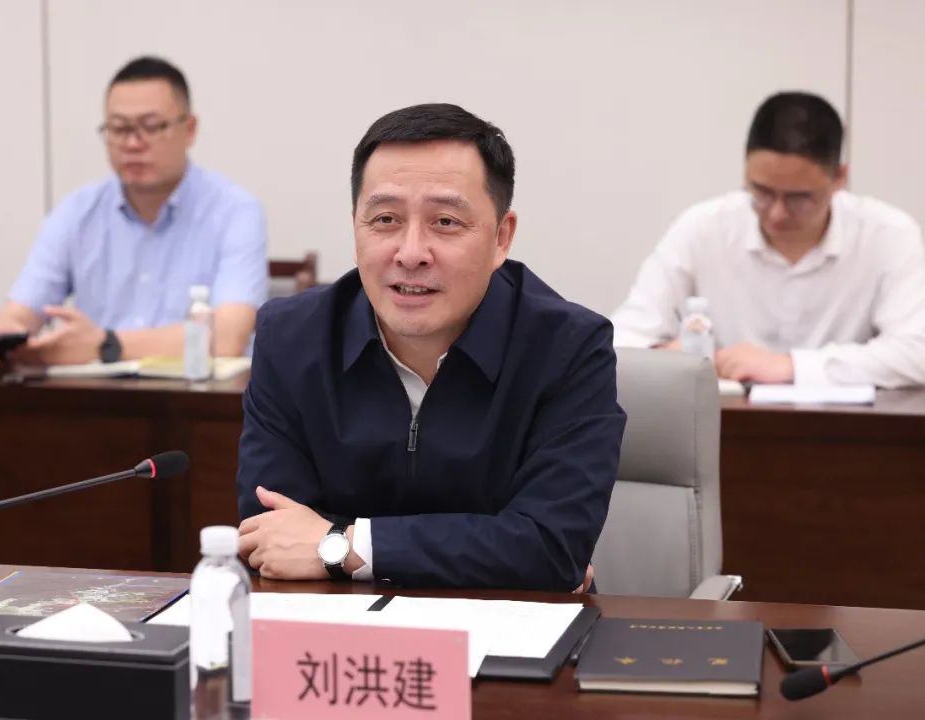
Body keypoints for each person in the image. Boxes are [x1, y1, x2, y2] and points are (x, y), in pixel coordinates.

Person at [235, 103, 625, 591]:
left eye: (445, 222)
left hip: (508, 629)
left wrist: (340, 545)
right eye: (385, 219)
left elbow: (550, 549)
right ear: (355, 228)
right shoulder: (291, 338)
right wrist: (499, 548)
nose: (411, 253)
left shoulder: (569, 348)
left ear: (502, 238)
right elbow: (270, 534)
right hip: (337, 627)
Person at [611, 91, 925, 388]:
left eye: (799, 198)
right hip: (725, 421)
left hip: (847, 424)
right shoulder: (703, 228)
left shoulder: (888, 235)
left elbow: (917, 352)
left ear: (840, 178)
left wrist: (791, 366)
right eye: (761, 192)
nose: (776, 214)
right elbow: (622, 339)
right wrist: (670, 357)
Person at [0, 56, 267, 367]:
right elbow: (22, 312)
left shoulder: (235, 211)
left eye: (151, 127)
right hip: (98, 394)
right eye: (118, 128)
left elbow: (227, 338)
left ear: (190, 129)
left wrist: (106, 345)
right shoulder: (76, 212)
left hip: (192, 392)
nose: (132, 143)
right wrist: (1, 337)